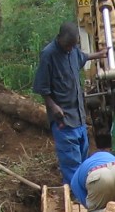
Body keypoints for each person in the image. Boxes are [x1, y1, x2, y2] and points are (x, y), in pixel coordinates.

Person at [33, 22, 100, 185]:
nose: (70, 48)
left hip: (79, 116)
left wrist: (100, 54)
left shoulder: (73, 51)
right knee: (71, 162)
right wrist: (53, 106)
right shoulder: (48, 55)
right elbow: (42, 87)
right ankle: (74, 194)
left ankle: (83, 190)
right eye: (68, 45)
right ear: (59, 38)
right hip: (63, 118)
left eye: (73, 45)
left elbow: (82, 57)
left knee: (83, 159)